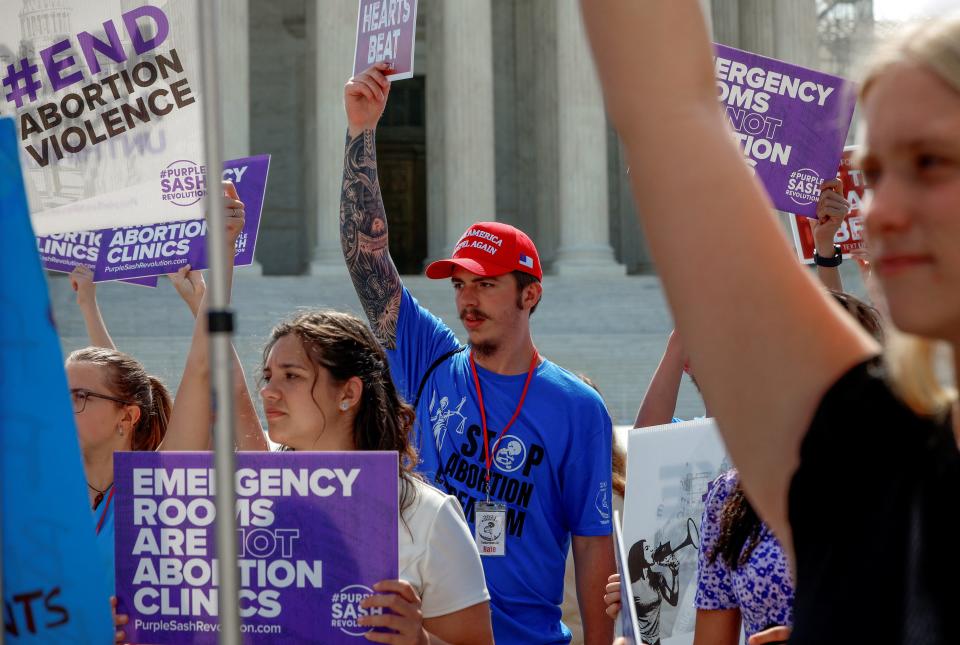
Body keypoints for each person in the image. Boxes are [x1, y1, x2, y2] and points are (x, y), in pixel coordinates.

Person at [579, 3, 960, 642]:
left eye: (929, 163)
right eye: (872, 174)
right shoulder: (869, 443)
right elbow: (670, 113)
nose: (883, 209)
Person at [341, 63, 615, 645]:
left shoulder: (577, 406)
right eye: (460, 284)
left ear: (530, 294)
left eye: (486, 284)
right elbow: (368, 265)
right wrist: (361, 131)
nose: (468, 299)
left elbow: (593, 545)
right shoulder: (434, 361)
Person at [157, 213, 494, 645]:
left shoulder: (427, 517)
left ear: (348, 393)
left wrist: (419, 640)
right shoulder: (259, 490)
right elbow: (229, 398)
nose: (269, 392)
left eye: (292, 376)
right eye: (268, 376)